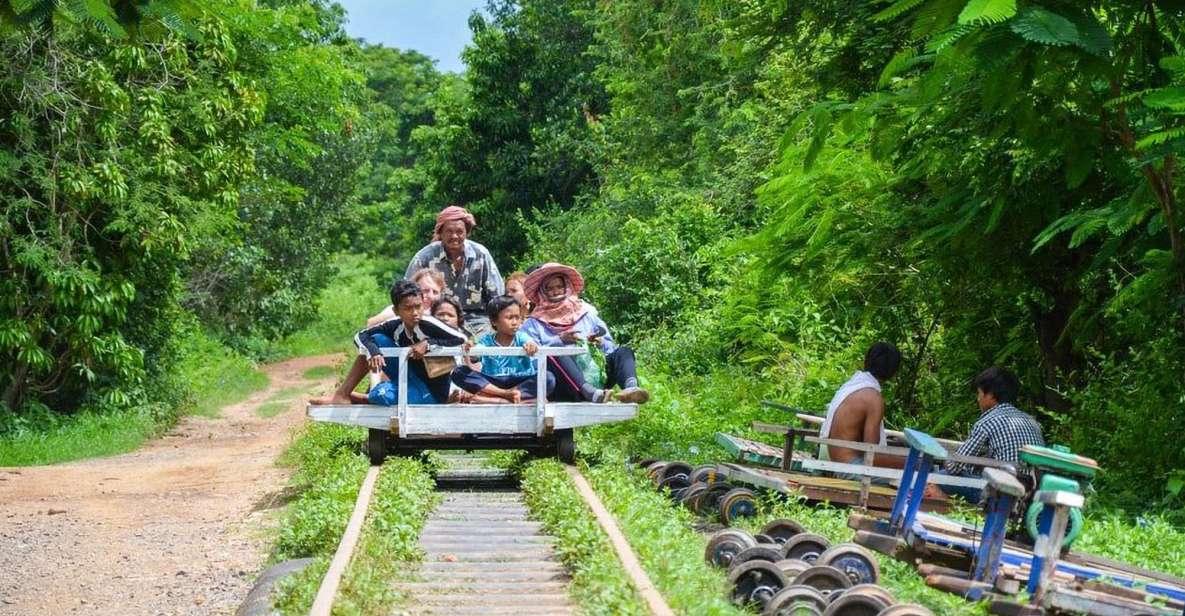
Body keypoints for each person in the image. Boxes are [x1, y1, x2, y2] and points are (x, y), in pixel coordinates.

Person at [310, 279, 467, 405]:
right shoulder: (395, 326)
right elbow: (361, 336)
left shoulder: (429, 323)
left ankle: (365, 398)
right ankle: (342, 395)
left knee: (380, 395)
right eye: (408, 308)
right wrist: (374, 351)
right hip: (408, 377)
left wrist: (428, 344)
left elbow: (461, 339)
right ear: (396, 311)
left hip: (431, 391)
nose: (415, 313)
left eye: (418, 307)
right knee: (377, 340)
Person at [520, 263, 649, 404]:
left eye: (559, 287)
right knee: (557, 351)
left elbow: (609, 346)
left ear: (566, 287)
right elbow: (532, 359)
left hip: (597, 375)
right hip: (565, 385)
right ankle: (588, 391)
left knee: (623, 352)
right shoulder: (533, 324)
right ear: (542, 292)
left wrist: (600, 342)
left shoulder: (586, 313)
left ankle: (631, 389)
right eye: (550, 289)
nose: (556, 291)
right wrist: (560, 341)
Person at [940, 367, 1045, 503]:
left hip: (999, 491)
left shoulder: (988, 421)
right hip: (1029, 493)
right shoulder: (1032, 421)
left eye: (979, 393)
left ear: (990, 394)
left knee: (937, 475)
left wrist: (945, 460)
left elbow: (954, 467)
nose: (978, 399)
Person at [405, 205, 504, 333]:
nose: (455, 236)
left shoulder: (481, 254)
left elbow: (497, 298)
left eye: (459, 231)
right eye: (449, 231)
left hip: (478, 323)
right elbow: (407, 293)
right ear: (440, 232)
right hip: (436, 320)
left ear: (467, 233)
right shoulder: (424, 257)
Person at [818, 342, 906, 470]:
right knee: (915, 475)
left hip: (835, 459)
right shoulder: (873, 398)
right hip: (850, 467)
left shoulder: (854, 385)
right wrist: (910, 463)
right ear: (894, 372)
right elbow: (871, 454)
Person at [451, 296, 555, 403]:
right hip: (493, 381)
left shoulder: (521, 337)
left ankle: (494, 399)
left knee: (548, 378)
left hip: (520, 380)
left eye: (517, 317)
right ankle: (506, 395)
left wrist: (531, 346)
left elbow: (529, 342)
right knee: (459, 372)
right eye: (510, 318)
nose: (515, 322)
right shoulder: (486, 340)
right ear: (494, 321)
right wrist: (471, 349)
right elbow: (477, 352)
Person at [367, 268, 444, 327]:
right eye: (425, 291)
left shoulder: (444, 313)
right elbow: (370, 324)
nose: (430, 296)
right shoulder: (400, 308)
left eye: (435, 292)